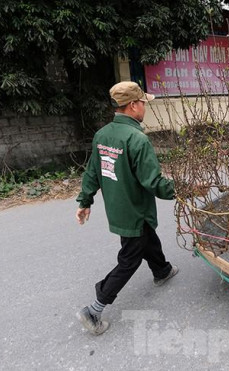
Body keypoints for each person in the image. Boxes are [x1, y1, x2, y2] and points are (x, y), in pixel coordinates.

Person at [75, 81, 178, 336]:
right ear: (133, 105)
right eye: (143, 103)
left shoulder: (103, 135)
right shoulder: (137, 139)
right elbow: (153, 182)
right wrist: (181, 189)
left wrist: (84, 201)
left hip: (120, 209)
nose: (145, 107)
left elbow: (92, 172)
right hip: (136, 211)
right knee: (130, 258)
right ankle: (94, 309)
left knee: (146, 240)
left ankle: (161, 270)